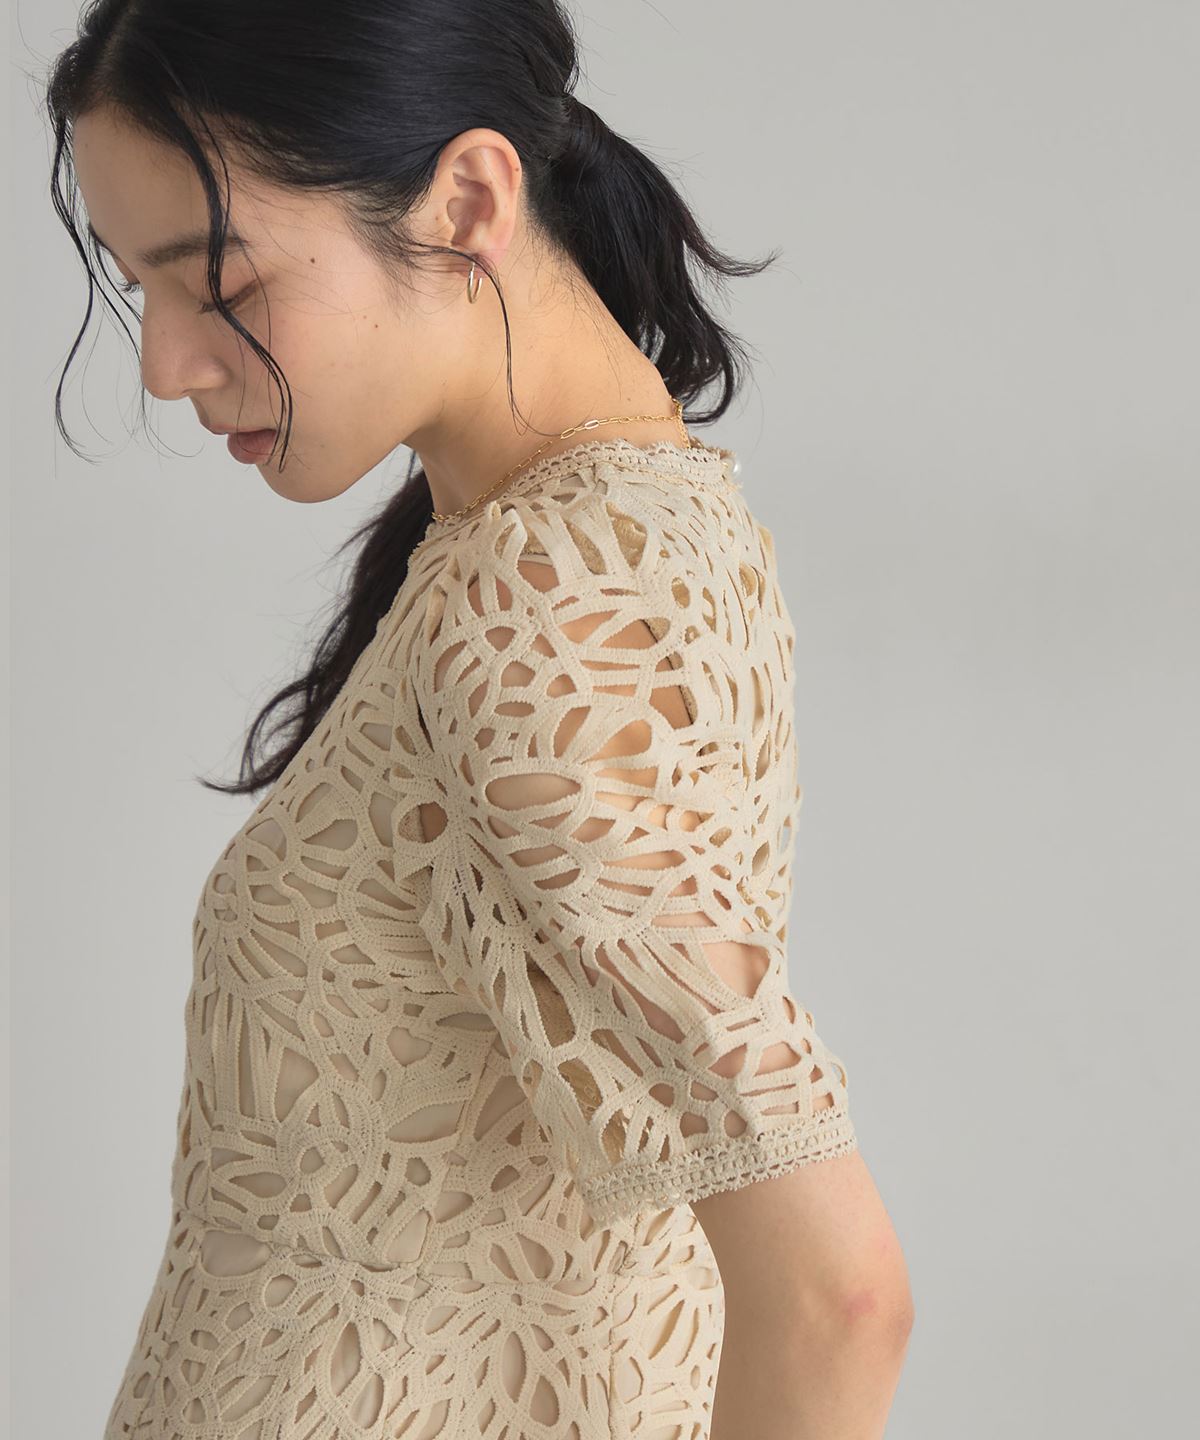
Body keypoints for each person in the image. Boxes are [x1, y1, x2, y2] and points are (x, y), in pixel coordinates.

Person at [45, 2, 913, 1436]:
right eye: (141, 288)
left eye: (220, 281)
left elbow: (839, 1297)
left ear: (465, 201)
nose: (165, 363)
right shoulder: (591, 537)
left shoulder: (542, 601)